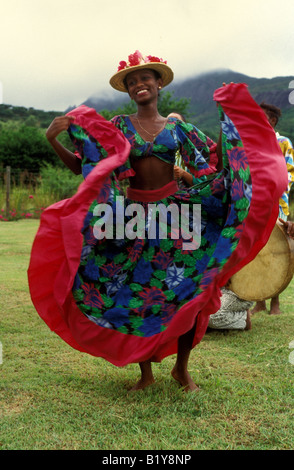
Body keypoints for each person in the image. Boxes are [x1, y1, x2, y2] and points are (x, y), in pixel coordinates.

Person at [28, 50, 287, 392]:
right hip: (132, 218)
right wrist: (52, 139)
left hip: (177, 215)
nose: (139, 85)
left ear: (158, 82)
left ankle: (182, 369)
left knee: (190, 292)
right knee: (139, 294)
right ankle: (145, 374)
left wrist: (229, 114)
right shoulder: (119, 125)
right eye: (132, 82)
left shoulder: (178, 127)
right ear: (128, 91)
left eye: (145, 79)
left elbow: (213, 161)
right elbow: (83, 165)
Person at [250, 102, 294, 315]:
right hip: (255, 205)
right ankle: (260, 301)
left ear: (272, 121)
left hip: (277, 203)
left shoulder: (283, 142)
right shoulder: (250, 143)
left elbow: (289, 174)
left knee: (277, 250)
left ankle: (275, 301)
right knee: (258, 251)